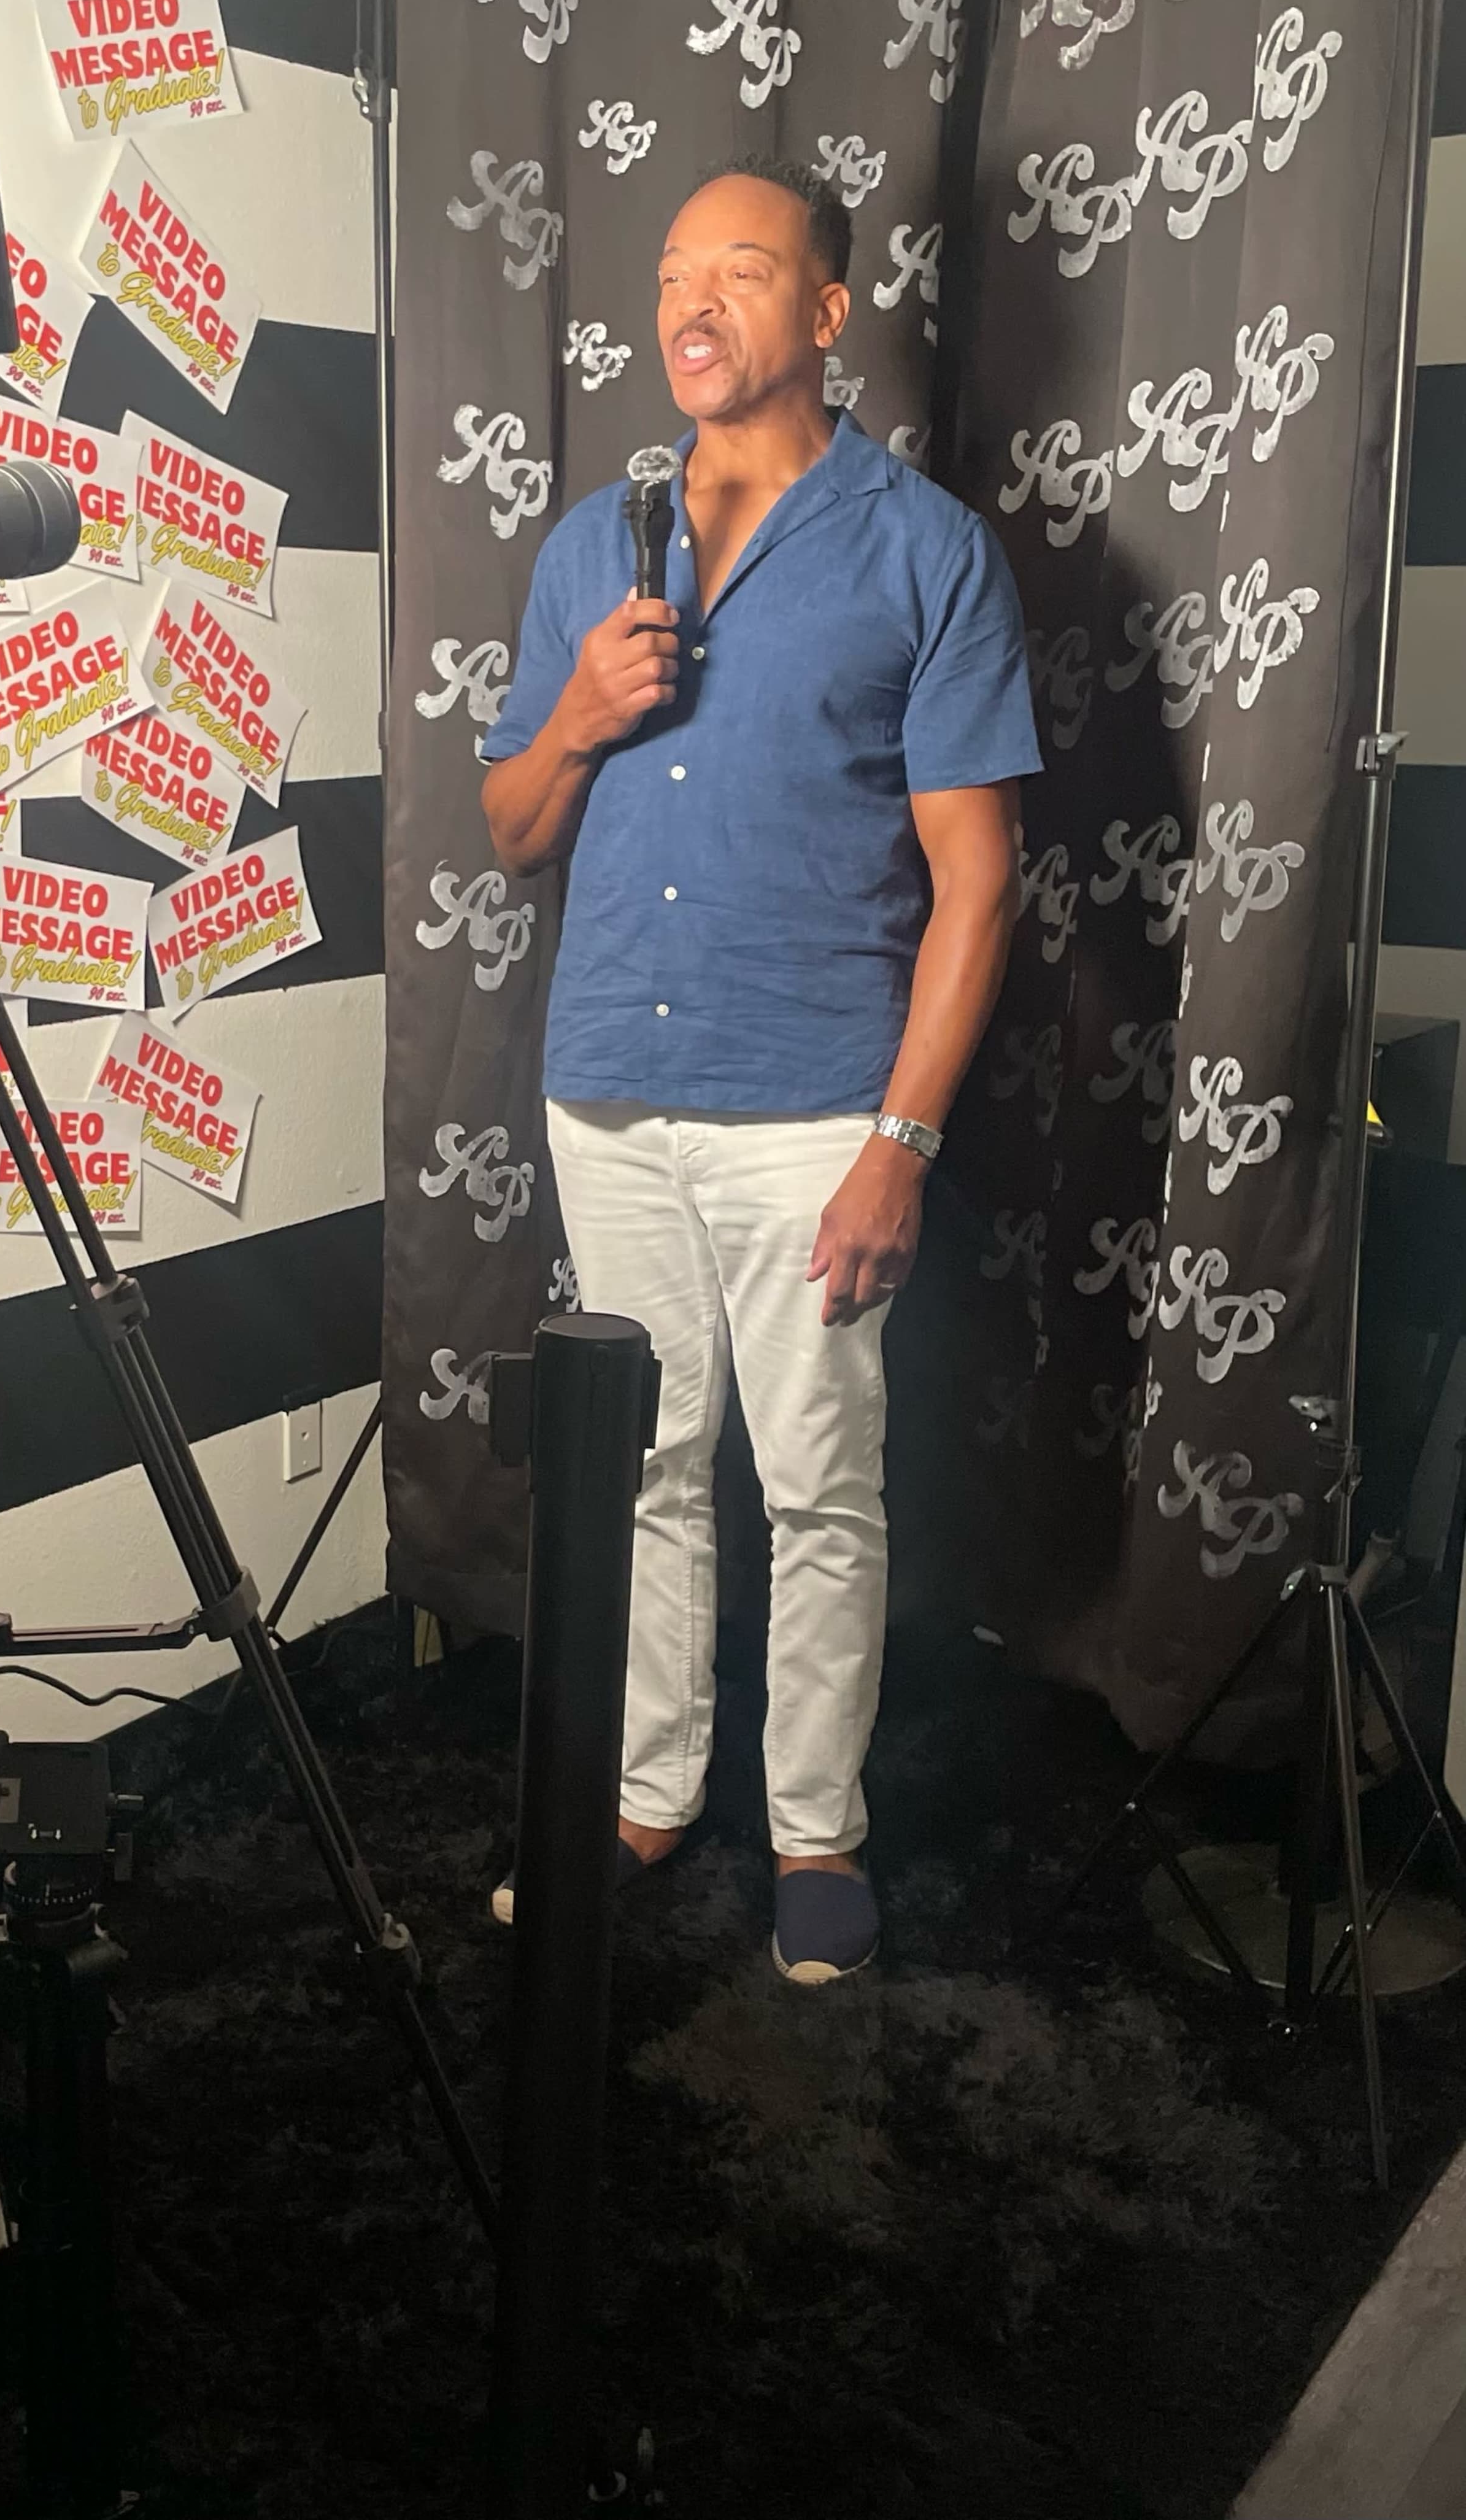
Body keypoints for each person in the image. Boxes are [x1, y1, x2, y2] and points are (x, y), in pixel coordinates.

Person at [480, 158, 1039, 1984]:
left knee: (816, 1483)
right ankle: (647, 1795)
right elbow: (510, 828)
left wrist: (900, 1141)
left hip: (812, 1103)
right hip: (604, 1089)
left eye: (735, 269)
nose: (689, 304)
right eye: (668, 274)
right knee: (644, 1464)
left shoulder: (923, 551)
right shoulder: (593, 544)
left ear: (824, 309)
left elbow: (975, 881)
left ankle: (814, 1832)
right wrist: (581, 713)